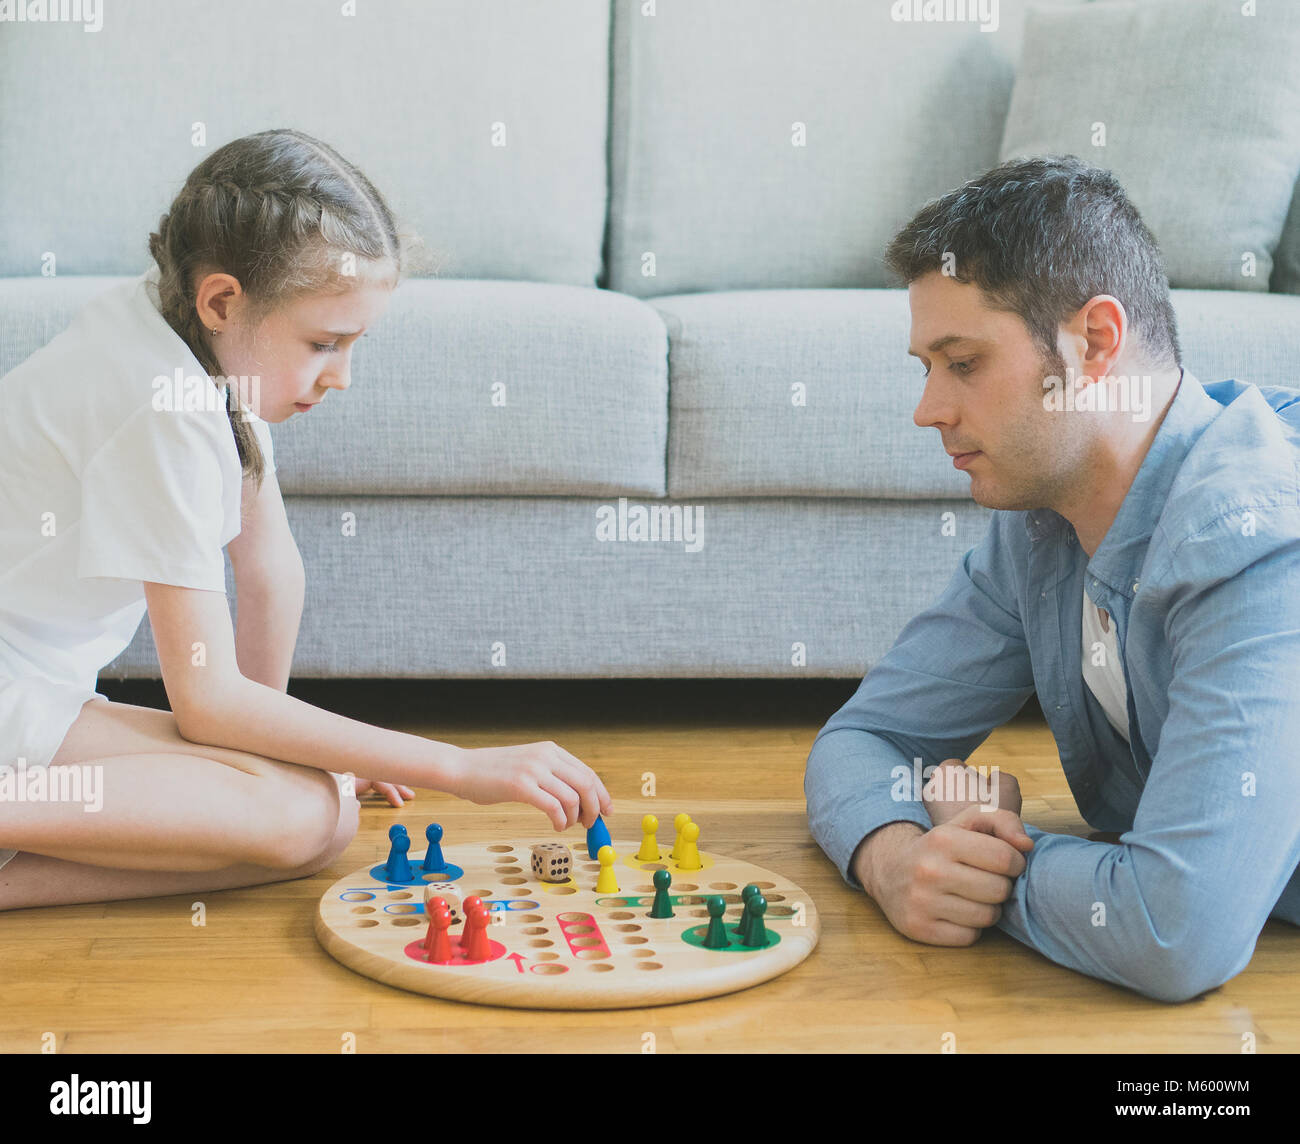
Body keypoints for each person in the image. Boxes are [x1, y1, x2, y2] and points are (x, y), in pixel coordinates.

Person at [0, 128, 611, 911]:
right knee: (302, 813)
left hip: (30, 690)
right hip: (19, 693)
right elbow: (209, 700)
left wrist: (275, 753)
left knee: (314, 820)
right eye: (324, 342)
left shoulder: (187, 340)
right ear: (223, 299)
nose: (342, 376)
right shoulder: (162, 404)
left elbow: (269, 570)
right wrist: (455, 767)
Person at [804, 154, 1300, 1003]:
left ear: (1094, 344)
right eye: (926, 367)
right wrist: (894, 858)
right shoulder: (1045, 519)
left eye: (962, 363)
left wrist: (992, 854)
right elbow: (865, 738)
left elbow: (1175, 931)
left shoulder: (1258, 539)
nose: (929, 409)